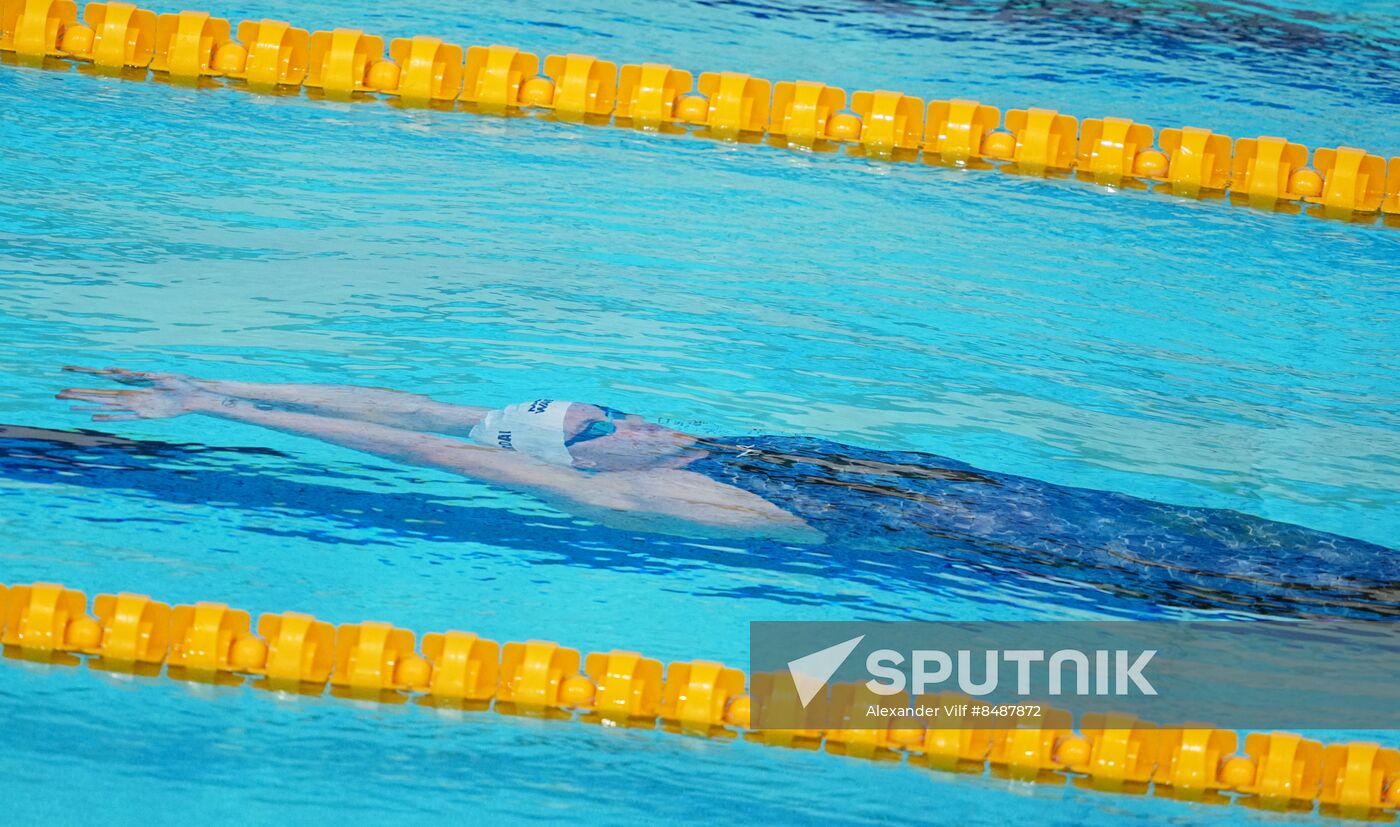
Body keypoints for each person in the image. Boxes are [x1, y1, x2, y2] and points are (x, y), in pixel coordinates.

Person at [56, 366, 1396, 617]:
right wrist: (231, 421)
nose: (633, 417)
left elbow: (424, 408)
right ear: (594, 468)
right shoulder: (645, 500)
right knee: (1306, 597)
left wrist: (227, 391)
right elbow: (433, 451)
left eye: (612, 401)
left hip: (988, 501)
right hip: (1015, 560)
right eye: (604, 424)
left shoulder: (662, 453)